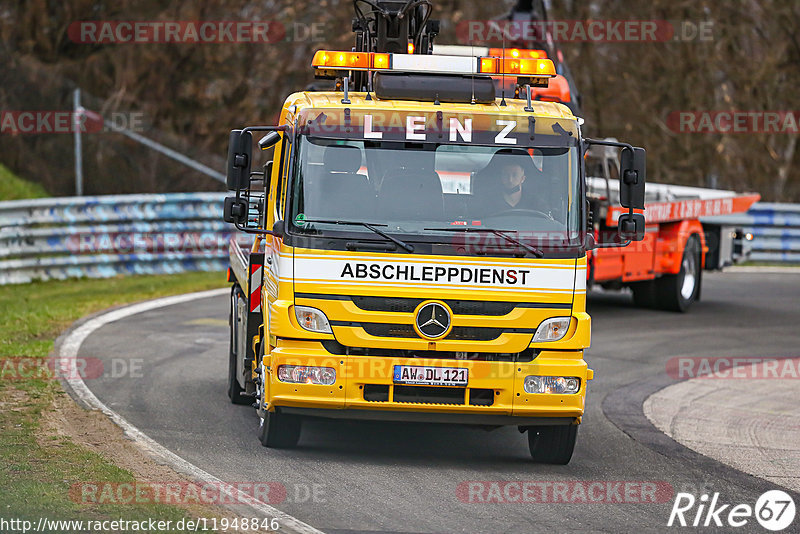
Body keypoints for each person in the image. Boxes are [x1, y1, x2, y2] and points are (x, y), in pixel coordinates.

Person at [472, 149, 543, 216]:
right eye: (506, 175)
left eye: (514, 175)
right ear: (501, 177)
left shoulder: (535, 203)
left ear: (523, 178)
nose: (510, 179)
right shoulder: (487, 203)